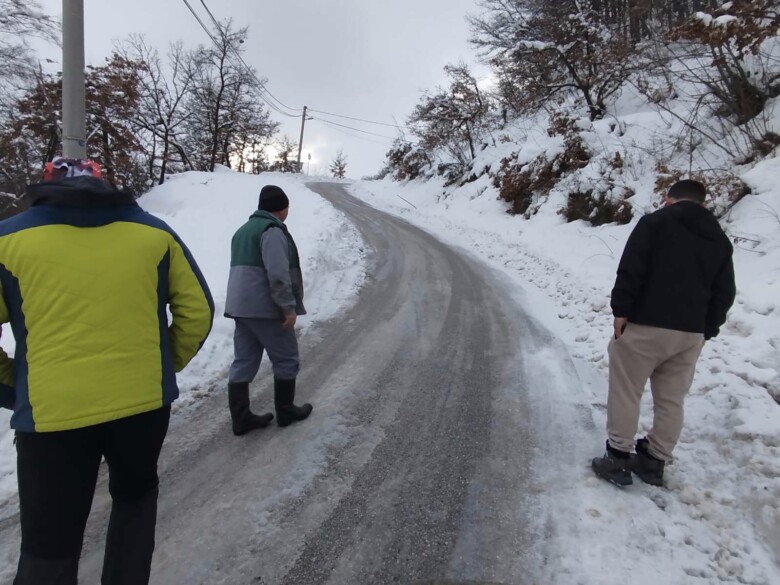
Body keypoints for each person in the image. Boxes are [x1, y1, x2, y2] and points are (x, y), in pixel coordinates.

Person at [0, 157, 214, 584]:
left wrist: (14, 382)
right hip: (143, 407)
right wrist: (159, 368)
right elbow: (198, 312)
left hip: (52, 415)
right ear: (104, 185)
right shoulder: (153, 232)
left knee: (49, 543)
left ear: (46, 186)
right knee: (134, 505)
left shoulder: (9, 239)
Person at [592, 179, 736, 487]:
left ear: (669, 200)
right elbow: (724, 292)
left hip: (646, 324)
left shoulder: (655, 223)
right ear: (702, 203)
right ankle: (654, 460)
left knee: (627, 389)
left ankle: (617, 456)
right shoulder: (719, 239)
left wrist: (621, 310)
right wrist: (706, 329)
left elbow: (632, 268)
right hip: (690, 333)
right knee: (672, 399)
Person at [224, 184, 312, 435]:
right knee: (286, 358)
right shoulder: (271, 230)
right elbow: (277, 274)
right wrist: (287, 307)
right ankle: (286, 411)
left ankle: (241, 418)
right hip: (265, 307)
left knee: (244, 360)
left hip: (240, 307)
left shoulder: (243, 230)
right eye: (287, 207)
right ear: (282, 209)